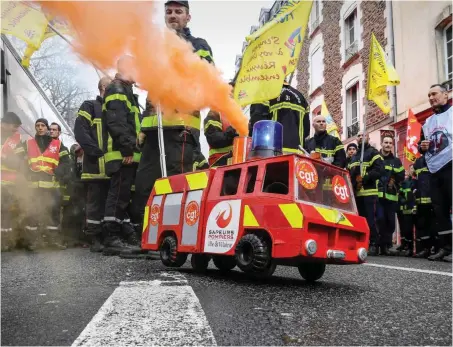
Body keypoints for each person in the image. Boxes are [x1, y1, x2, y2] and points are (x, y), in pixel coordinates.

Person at [131, 0, 215, 231]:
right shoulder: (155, 46)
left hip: (182, 127)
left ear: (188, 17)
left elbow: (206, 77)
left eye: (178, 12)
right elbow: (148, 89)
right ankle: (145, 234)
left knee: (178, 183)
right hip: (152, 128)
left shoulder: (198, 45)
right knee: (145, 183)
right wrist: (141, 127)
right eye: (169, 12)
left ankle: (174, 235)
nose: (173, 15)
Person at [102, 56, 142, 256]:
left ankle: (118, 235)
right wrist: (127, 149)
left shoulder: (125, 90)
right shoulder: (117, 89)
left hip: (125, 152)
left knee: (122, 195)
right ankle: (111, 238)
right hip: (121, 153)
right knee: (118, 195)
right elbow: (117, 123)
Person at [74, 76, 112, 252]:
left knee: (109, 204)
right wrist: (95, 151)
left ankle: (108, 236)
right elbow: (80, 130)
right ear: (103, 87)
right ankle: (94, 238)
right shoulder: (90, 106)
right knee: (94, 204)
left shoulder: (115, 109)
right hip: (95, 166)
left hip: (113, 168)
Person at [24, 118, 70, 250]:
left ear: (47, 128)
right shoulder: (28, 143)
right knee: (33, 212)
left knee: (53, 213)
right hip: (34, 186)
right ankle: (32, 241)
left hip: (52, 185)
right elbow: (20, 160)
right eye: (37, 125)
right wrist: (26, 172)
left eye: (42, 125)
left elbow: (66, 162)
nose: (40, 128)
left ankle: (53, 240)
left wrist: (58, 171)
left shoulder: (58, 144)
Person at [419, 84, 452, 262]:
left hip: (451, 165)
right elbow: (420, 145)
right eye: (429, 95)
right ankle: (446, 248)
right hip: (435, 169)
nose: (431, 98)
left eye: (434, 94)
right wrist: (421, 147)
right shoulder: (427, 123)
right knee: (440, 210)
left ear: (445, 95)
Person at [348, 131, 383, 256]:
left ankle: (374, 244)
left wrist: (365, 177)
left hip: (369, 192)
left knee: (371, 220)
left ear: (368, 138)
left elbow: (379, 170)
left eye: (364, 135)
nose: (361, 137)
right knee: (359, 220)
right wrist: (354, 182)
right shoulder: (354, 157)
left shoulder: (373, 153)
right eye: (358, 136)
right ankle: (363, 242)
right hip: (357, 194)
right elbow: (349, 174)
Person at [249, 81, 310, 153]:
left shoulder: (264, 92)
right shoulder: (300, 96)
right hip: (297, 154)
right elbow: (306, 129)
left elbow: (257, 122)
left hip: (273, 152)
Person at [1, 112, 25, 251]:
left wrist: (4, 157)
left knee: (6, 213)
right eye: (14, 127)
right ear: (4, 124)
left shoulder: (16, 140)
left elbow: (20, 162)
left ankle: (5, 242)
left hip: (8, 184)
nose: (16, 130)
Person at [376, 135, 404, 255]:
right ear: (382, 144)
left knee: (390, 222)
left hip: (391, 196)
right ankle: (380, 245)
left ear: (392, 145)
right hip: (377, 195)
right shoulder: (376, 158)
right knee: (380, 220)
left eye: (390, 143)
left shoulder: (396, 161)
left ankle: (386, 244)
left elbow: (401, 175)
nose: (387, 145)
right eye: (385, 142)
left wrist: (393, 178)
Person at [204, 81, 239, 167]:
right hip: (219, 165)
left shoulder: (237, 116)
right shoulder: (215, 113)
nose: (233, 97)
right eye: (231, 93)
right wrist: (233, 129)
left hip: (236, 164)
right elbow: (214, 139)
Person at [413, 154, 437, 258]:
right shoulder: (418, 162)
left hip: (435, 197)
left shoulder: (437, 157)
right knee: (423, 224)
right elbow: (417, 179)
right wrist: (415, 190)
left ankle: (438, 248)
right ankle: (426, 249)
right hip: (421, 199)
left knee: (436, 224)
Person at [397, 169, 417, 256]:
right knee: (407, 230)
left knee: (420, 230)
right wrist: (402, 200)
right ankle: (409, 248)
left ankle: (420, 249)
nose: (411, 170)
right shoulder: (404, 183)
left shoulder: (417, 182)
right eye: (410, 168)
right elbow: (400, 194)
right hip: (407, 210)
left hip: (417, 209)